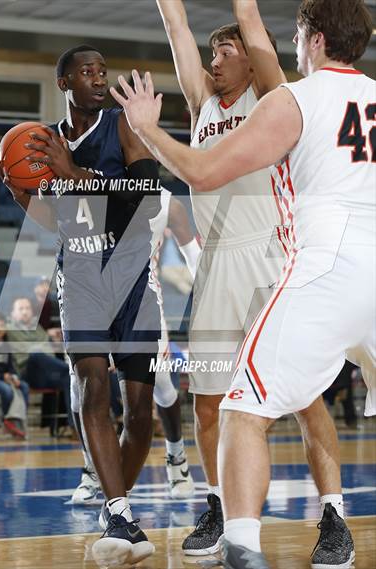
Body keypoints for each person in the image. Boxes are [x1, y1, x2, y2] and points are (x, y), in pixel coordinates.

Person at [110, 0, 375, 567]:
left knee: (302, 400)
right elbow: (175, 24)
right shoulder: (207, 104)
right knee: (212, 401)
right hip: (220, 260)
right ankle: (219, 504)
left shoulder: (279, 94)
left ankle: (326, 516)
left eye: (227, 50)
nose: (216, 59)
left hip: (281, 253)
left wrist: (146, 130)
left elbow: (254, 25)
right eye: (212, 53)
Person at [0, 45, 162, 567]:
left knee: (140, 413)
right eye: (86, 72)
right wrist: (24, 195)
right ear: (63, 81)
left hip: (133, 271)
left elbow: (145, 192)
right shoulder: (41, 142)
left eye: (101, 72)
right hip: (83, 271)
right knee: (93, 381)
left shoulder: (121, 125)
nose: (97, 78)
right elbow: (55, 221)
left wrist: (73, 172)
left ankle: (119, 508)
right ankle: (117, 508)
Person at [70, 191, 198, 507]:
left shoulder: (169, 204)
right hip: (89, 301)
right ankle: (91, 468)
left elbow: (196, 260)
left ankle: (176, 457)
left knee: (163, 385)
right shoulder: (86, 182)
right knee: (79, 387)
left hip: (141, 305)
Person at [6, 297, 73, 429]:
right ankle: (70, 368)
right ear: (13, 313)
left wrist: (36, 347)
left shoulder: (38, 328)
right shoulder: (7, 329)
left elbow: (49, 352)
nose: (25, 312)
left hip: (44, 373)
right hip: (25, 373)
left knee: (68, 378)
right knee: (35, 354)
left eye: (27, 308)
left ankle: (73, 426)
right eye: (21, 309)